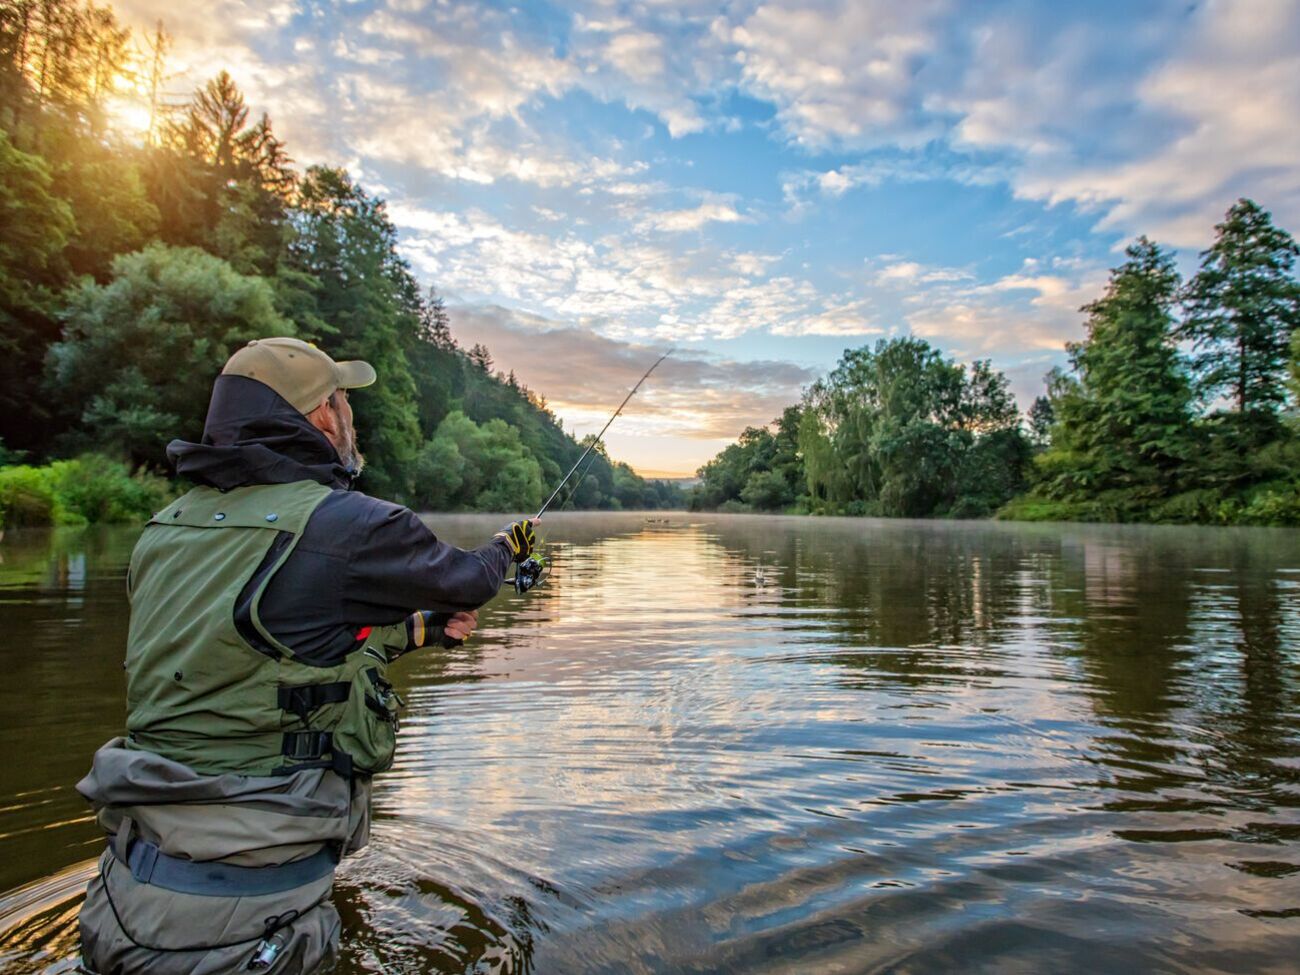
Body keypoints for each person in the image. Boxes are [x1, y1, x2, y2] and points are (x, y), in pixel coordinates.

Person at [76, 337, 537, 973]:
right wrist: (507, 545)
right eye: (345, 401)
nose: (352, 417)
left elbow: (269, 646)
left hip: (119, 902)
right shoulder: (351, 525)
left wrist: (424, 630)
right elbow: (468, 582)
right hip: (245, 932)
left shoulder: (166, 530)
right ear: (322, 414)